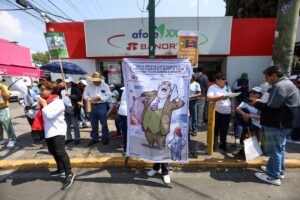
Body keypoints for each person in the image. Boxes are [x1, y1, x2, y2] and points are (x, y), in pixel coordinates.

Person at [249, 66, 299, 186]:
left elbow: (271, 106)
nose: (266, 80)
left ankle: (273, 176)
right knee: (280, 148)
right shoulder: (289, 84)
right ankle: (278, 171)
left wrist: (256, 103)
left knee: (274, 150)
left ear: (274, 75)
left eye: (267, 77)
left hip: (276, 124)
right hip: (285, 123)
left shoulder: (279, 86)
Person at [32, 82, 75, 190]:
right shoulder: (45, 101)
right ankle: (60, 169)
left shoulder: (58, 102)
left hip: (58, 130)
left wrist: (44, 105)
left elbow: (50, 115)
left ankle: (69, 173)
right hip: (48, 131)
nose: (41, 92)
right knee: (52, 151)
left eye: (43, 89)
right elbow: (35, 115)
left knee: (60, 152)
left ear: (50, 90)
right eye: (40, 90)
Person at [207, 72, 235, 152]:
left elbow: (231, 98)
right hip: (217, 111)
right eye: (222, 79)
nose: (225, 80)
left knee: (224, 129)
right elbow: (209, 98)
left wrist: (233, 108)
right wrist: (221, 97)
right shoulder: (212, 87)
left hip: (227, 112)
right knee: (215, 129)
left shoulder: (227, 87)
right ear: (217, 80)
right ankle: (214, 145)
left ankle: (223, 145)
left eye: (225, 79)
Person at [83, 72, 112, 146]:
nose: (95, 82)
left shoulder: (105, 86)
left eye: (96, 80)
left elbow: (109, 96)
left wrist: (100, 98)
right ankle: (94, 138)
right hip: (91, 105)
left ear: (99, 79)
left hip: (102, 105)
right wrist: (89, 99)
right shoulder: (88, 86)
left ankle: (105, 137)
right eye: (93, 80)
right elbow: (85, 95)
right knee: (93, 123)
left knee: (104, 123)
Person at [233, 86, 262, 155]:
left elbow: (262, 117)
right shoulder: (246, 101)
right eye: (251, 92)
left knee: (238, 122)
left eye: (254, 93)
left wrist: (249, 116)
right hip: (245, 120)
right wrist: (244, 114)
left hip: (255, 123)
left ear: (259, 95)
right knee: (240, 117)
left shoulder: (261, 104)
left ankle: (237, 143)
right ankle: (238, 144)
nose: (251, 94)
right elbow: (237, 108)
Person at [61, 77, 81, 145]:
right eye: (65, 82)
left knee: (75, 125)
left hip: (73, 108)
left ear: (70, 83)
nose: (66, 83)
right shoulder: (62, 90)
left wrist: (71, 96)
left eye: (67, 82)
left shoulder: (75, 89)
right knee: (67, 125)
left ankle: (77, 138)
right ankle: (69, 138)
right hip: (65, 109)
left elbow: (79, 97)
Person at [0, 77, 17, 148]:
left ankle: (12, 139)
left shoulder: (3, 87)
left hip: (3, 108)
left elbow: (6, 97)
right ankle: (1, 139)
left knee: (6, 122)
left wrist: (1, 88)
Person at [118, 87, 127, 154]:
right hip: (126, 114)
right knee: (127, 133)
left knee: (125, 133)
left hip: (123, 113)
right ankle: (126, 150)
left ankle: (126, 149)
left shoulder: (125, 90)